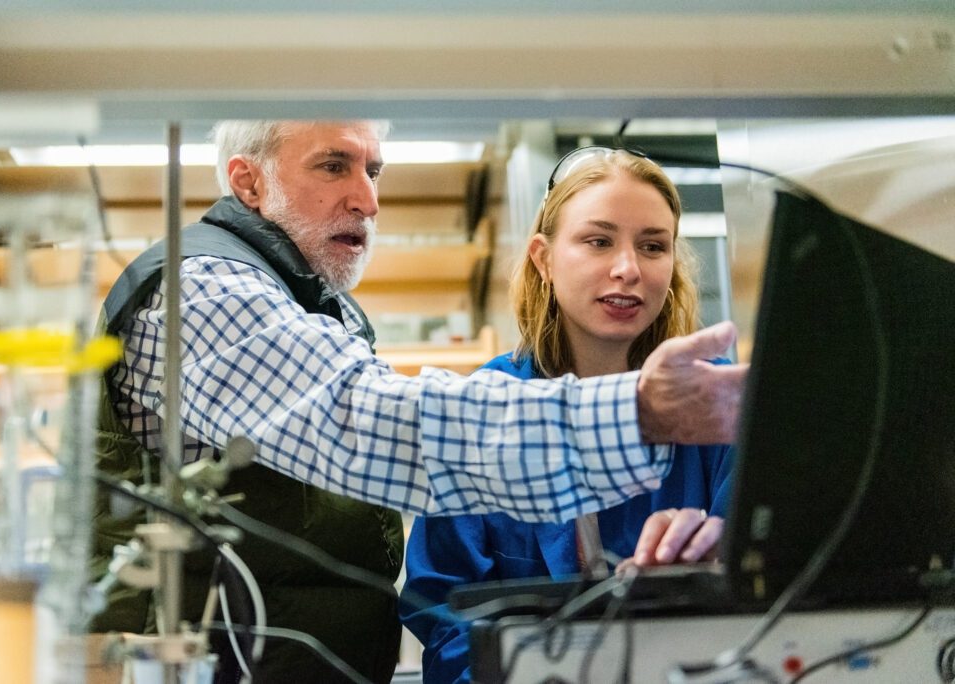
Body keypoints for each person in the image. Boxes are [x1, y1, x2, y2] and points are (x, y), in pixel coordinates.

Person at [89, 122, 745, 683]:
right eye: (334, 165)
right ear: (248, 181)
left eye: (374, 170)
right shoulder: (204, 295)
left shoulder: (319, 312)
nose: (369, 198)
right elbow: (376, 424)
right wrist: (638, 415)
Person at [399, 147, 734, 684]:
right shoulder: (486, 407)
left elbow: (769, 588)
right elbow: (443, 611)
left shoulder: (714, 403)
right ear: (544, 258)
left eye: (653, 246)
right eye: (598, 241)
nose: (627, 269)